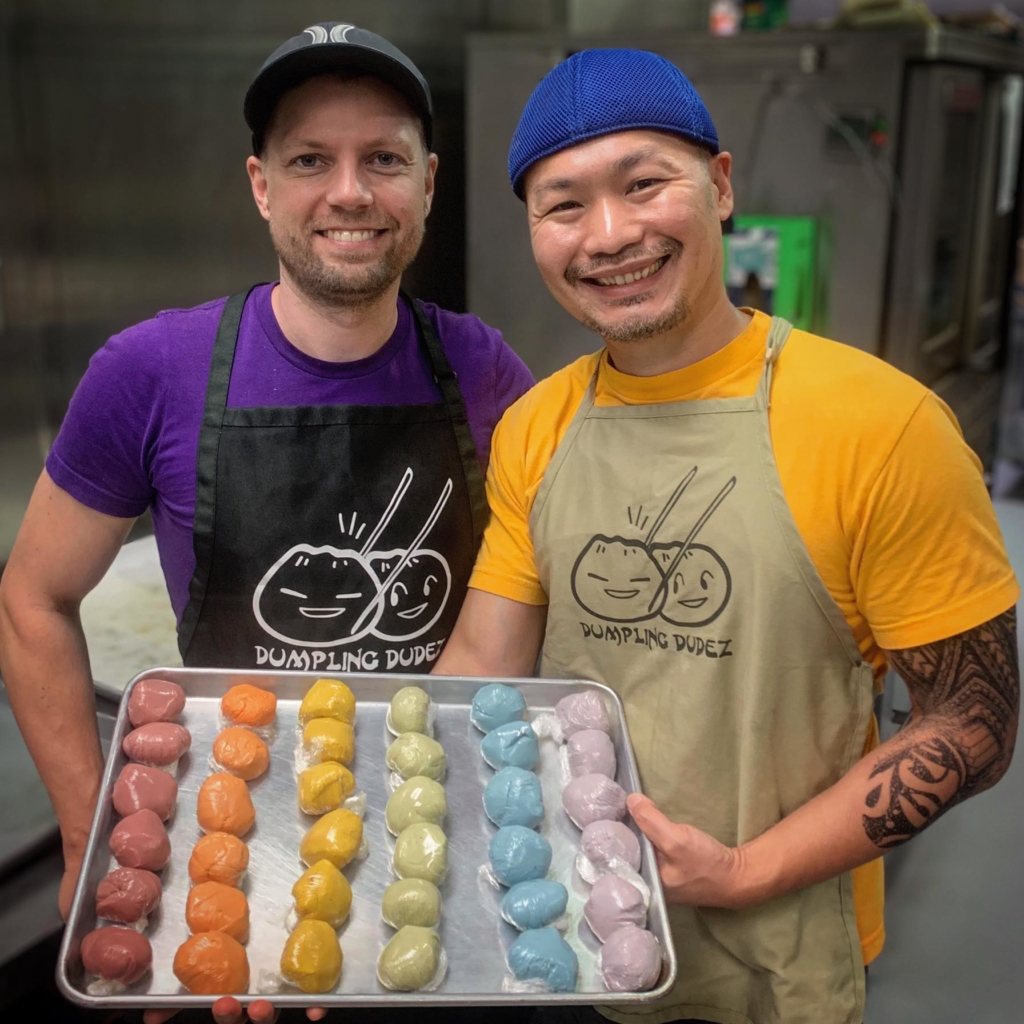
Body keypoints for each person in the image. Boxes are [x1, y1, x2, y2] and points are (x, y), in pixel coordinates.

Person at [434, 49, 1021, 1024]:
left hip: (772, 953)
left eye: (643, 184)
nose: (610, 234)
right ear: (533, 229)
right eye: (564, 204)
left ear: (719, 184)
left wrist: (744, 870)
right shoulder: (537, 425)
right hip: (560, 928)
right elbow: (484, 658)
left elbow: (974, 721)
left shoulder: (879, 424)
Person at [0, 18, 532, 995]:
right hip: (228, 851)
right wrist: (95, 832)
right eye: (308, 159)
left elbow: (537, 587)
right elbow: (30, 597)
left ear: (427, 183)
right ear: (259, 185)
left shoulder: (485, 368)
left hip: (433, 833)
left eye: (383, 158)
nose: (349, 191)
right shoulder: (148, 371)